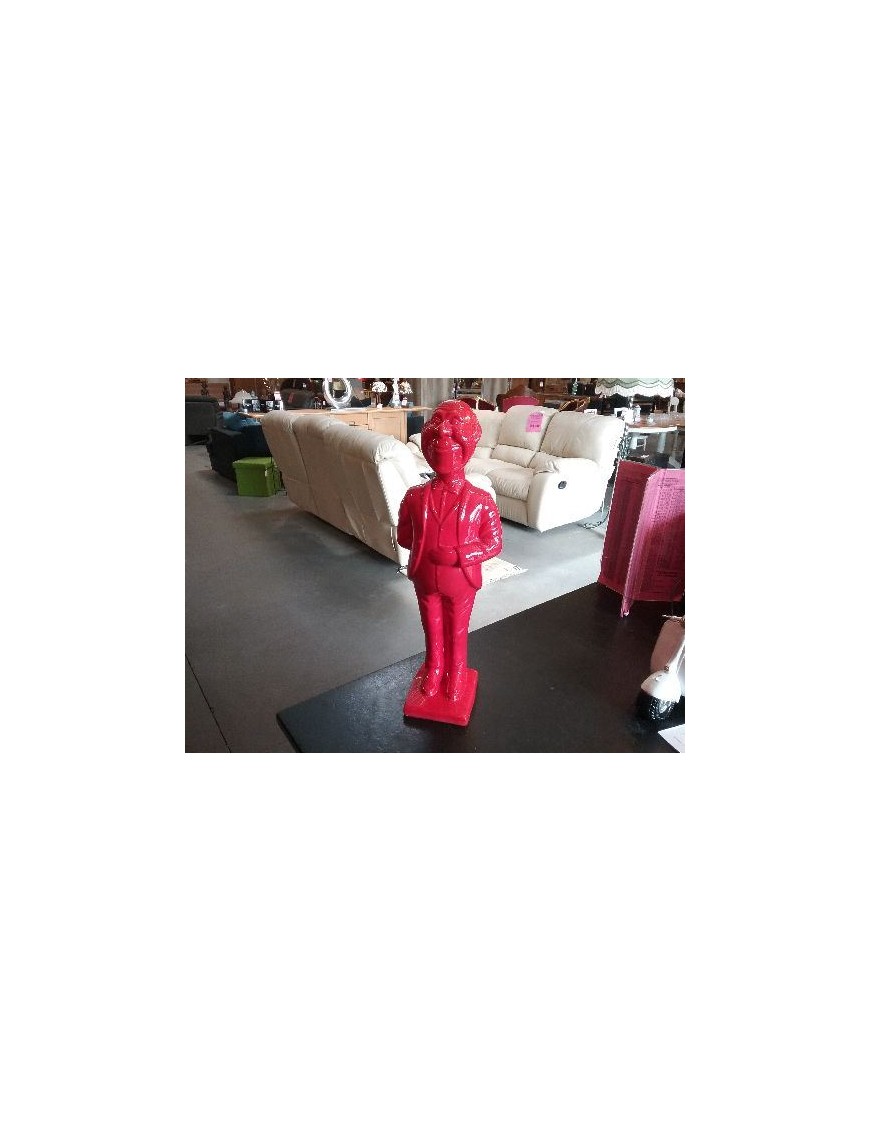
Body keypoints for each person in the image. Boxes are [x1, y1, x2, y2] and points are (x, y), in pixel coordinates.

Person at [397, 400, 503, 709]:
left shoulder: (481, 500)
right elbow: (404, 536)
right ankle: (434, 668)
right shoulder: (414, 497)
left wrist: (459, 554)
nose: (443, 440)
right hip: (424, 578)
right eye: (436, 435)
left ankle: (456, 672)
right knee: (431, 628)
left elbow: (493, 543)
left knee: (457, 630)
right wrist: (424, 546)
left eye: (454, 436)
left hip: (461, 580)